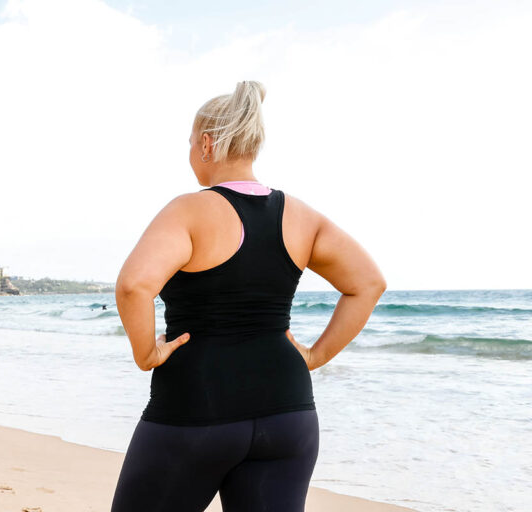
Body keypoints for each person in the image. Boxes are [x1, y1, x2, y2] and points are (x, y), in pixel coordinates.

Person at [111, 80, 386, 512]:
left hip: (195, 410)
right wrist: (315, 356)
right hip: (288, 415)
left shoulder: (188, 210)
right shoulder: (302, 216)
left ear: (206, 144)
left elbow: (133, 286)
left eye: (189, 143)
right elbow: (369, 283)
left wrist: (146, 353)